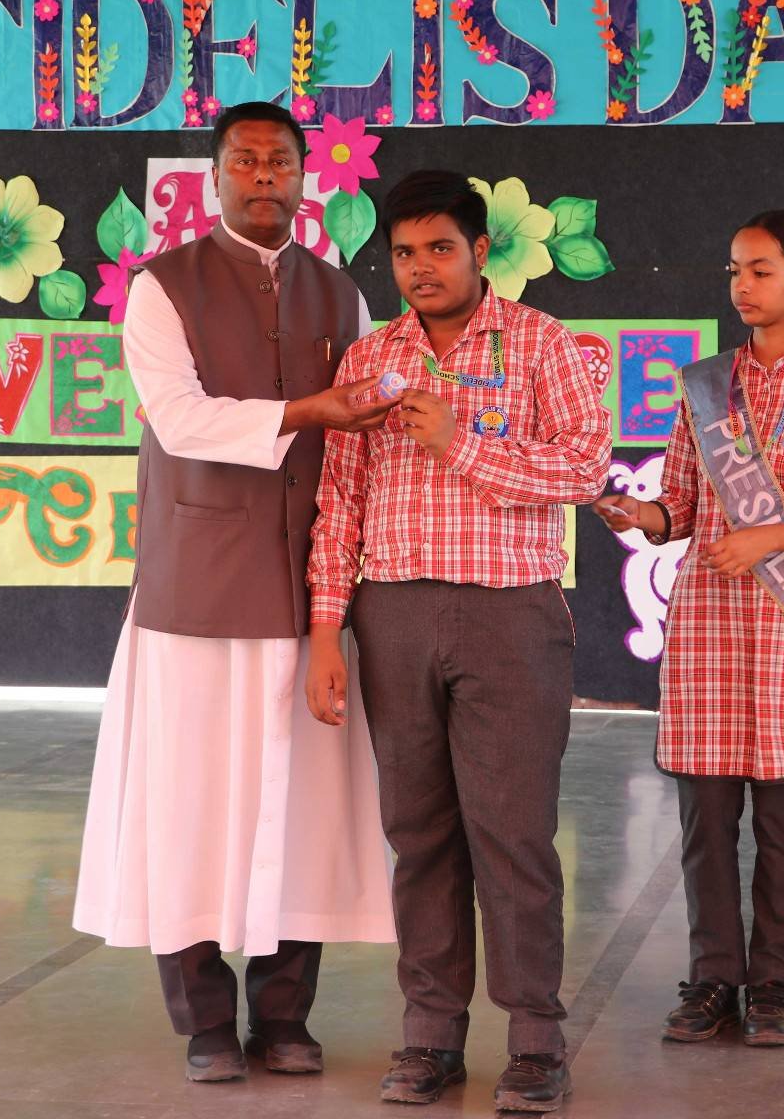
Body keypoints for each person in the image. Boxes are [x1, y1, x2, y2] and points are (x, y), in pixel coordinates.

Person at [72, 101, 397, 1083]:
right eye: (245, 161)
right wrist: (308, 408)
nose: (263, 176)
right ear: (213, 178)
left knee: (304, 810)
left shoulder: (341, 294)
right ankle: (206, 1023)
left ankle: (284, 1016)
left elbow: (361, 436)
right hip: (196, 597)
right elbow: (179, 420)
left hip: (309, 598)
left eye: (280, 162)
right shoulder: (160, 287)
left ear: (305, 179)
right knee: (188, 806)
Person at [305, 170, 611, 1111]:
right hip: (392, 615)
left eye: (440, 248)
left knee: (512, 835)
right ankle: (430, 1036)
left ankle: (536, 1042)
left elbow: (586, 466)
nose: (421, 268)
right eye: (404, 253)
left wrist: (460, 441)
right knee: (419, 834)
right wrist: (326, 631)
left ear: (481, 251)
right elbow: (339, 504)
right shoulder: (370, 360)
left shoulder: (542, 342)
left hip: (510, 615)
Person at [595, 210, 784, 1047]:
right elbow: (681, 505)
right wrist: (641, 514)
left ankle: (774, 991)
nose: (742, 287)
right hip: (707, 630)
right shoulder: (706, 386)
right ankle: (712, 981)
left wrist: (769, 538)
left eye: (760, 271)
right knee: (704, 824)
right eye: (734, 271)